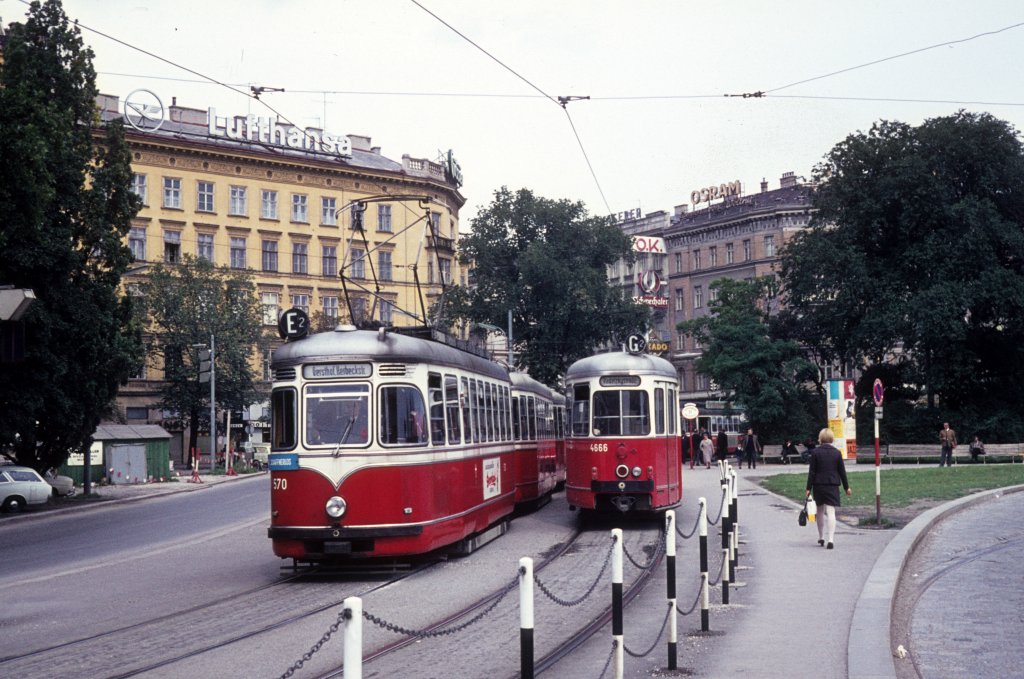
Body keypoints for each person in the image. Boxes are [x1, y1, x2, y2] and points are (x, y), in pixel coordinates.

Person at [805, 428, 851, 549]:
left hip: (818, 485)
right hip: (832, 485)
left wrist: (808, 488)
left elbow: (812, 472)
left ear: (821, 438)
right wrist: (847, 487)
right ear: (832, 438)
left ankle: (821, 537)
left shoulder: (815, 452)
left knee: (820, 511)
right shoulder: (837, 453)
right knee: (831, 512)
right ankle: (831, 539)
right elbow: (842, 472)